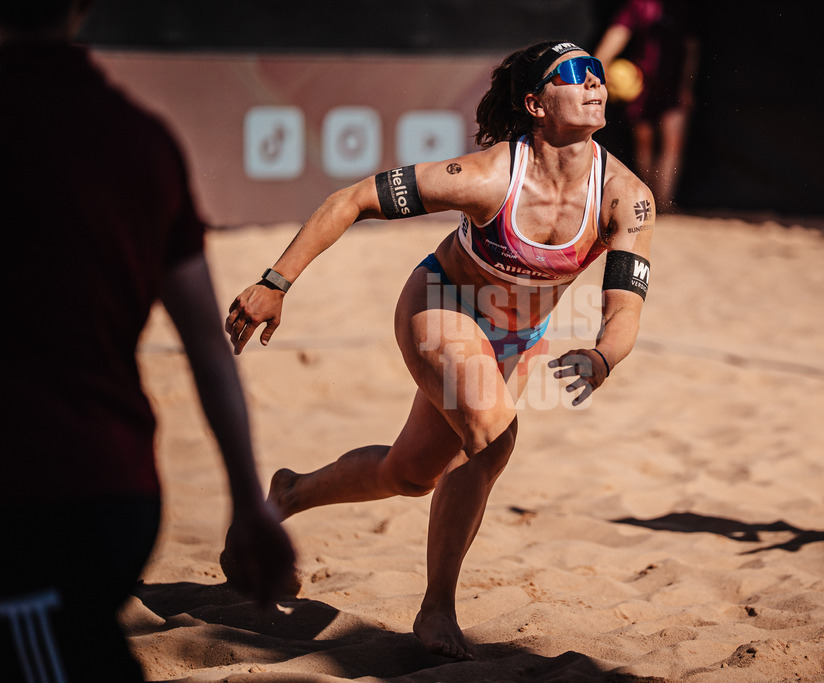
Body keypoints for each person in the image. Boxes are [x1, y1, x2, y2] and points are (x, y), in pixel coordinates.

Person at [223, 39, 655, 661]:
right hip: (441, 306)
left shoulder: (625, 196)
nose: (595, 83)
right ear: (535, 103)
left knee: (410, 474)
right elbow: (350, 200)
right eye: (575, 75)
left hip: (512, 338)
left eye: (597, 73)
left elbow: (624, 308)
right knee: (494, 438)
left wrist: (603, 356)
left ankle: (290, 492)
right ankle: (436, 612)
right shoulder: (487, 177)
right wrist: (275, 282)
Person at [0, 1, 296, 681]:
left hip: (32, 489)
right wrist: (247, 500)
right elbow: (206, 346)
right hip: (114, 488)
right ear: (80, 7)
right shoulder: (140, 140)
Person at [594, 0, 701, 212]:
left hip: (674, 83)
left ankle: (664, 202)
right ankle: (649, 201)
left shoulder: (681, 8)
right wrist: (599, 64)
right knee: (645, 143)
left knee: (673, 143)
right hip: (642, 83)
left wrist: (686, 86)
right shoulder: (639, 5)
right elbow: (617, 35)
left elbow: (691, 48)